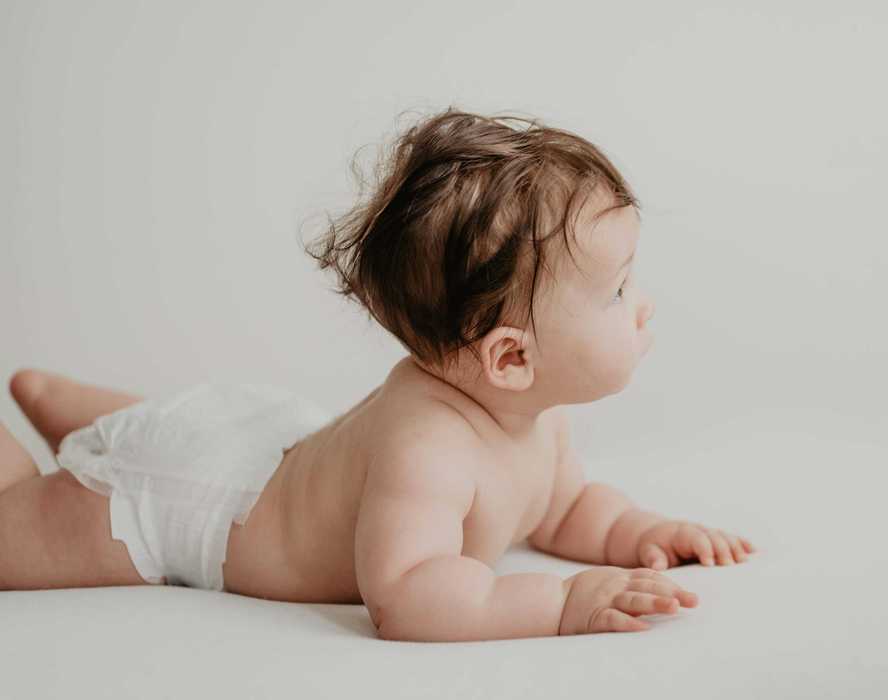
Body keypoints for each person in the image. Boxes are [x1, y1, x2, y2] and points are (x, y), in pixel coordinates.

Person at [0, 107, 756, 642]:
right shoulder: (427, 446)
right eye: (618, 290)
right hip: (195, 504)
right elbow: (408, 595)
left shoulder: (531, 418)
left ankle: (57, 402)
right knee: (18, 532)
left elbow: (561, 508)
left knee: (164, 427)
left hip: (248, 441)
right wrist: (557, 602)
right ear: (511, 357)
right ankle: (45, 454)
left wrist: (642, 534)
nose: (644, 305)